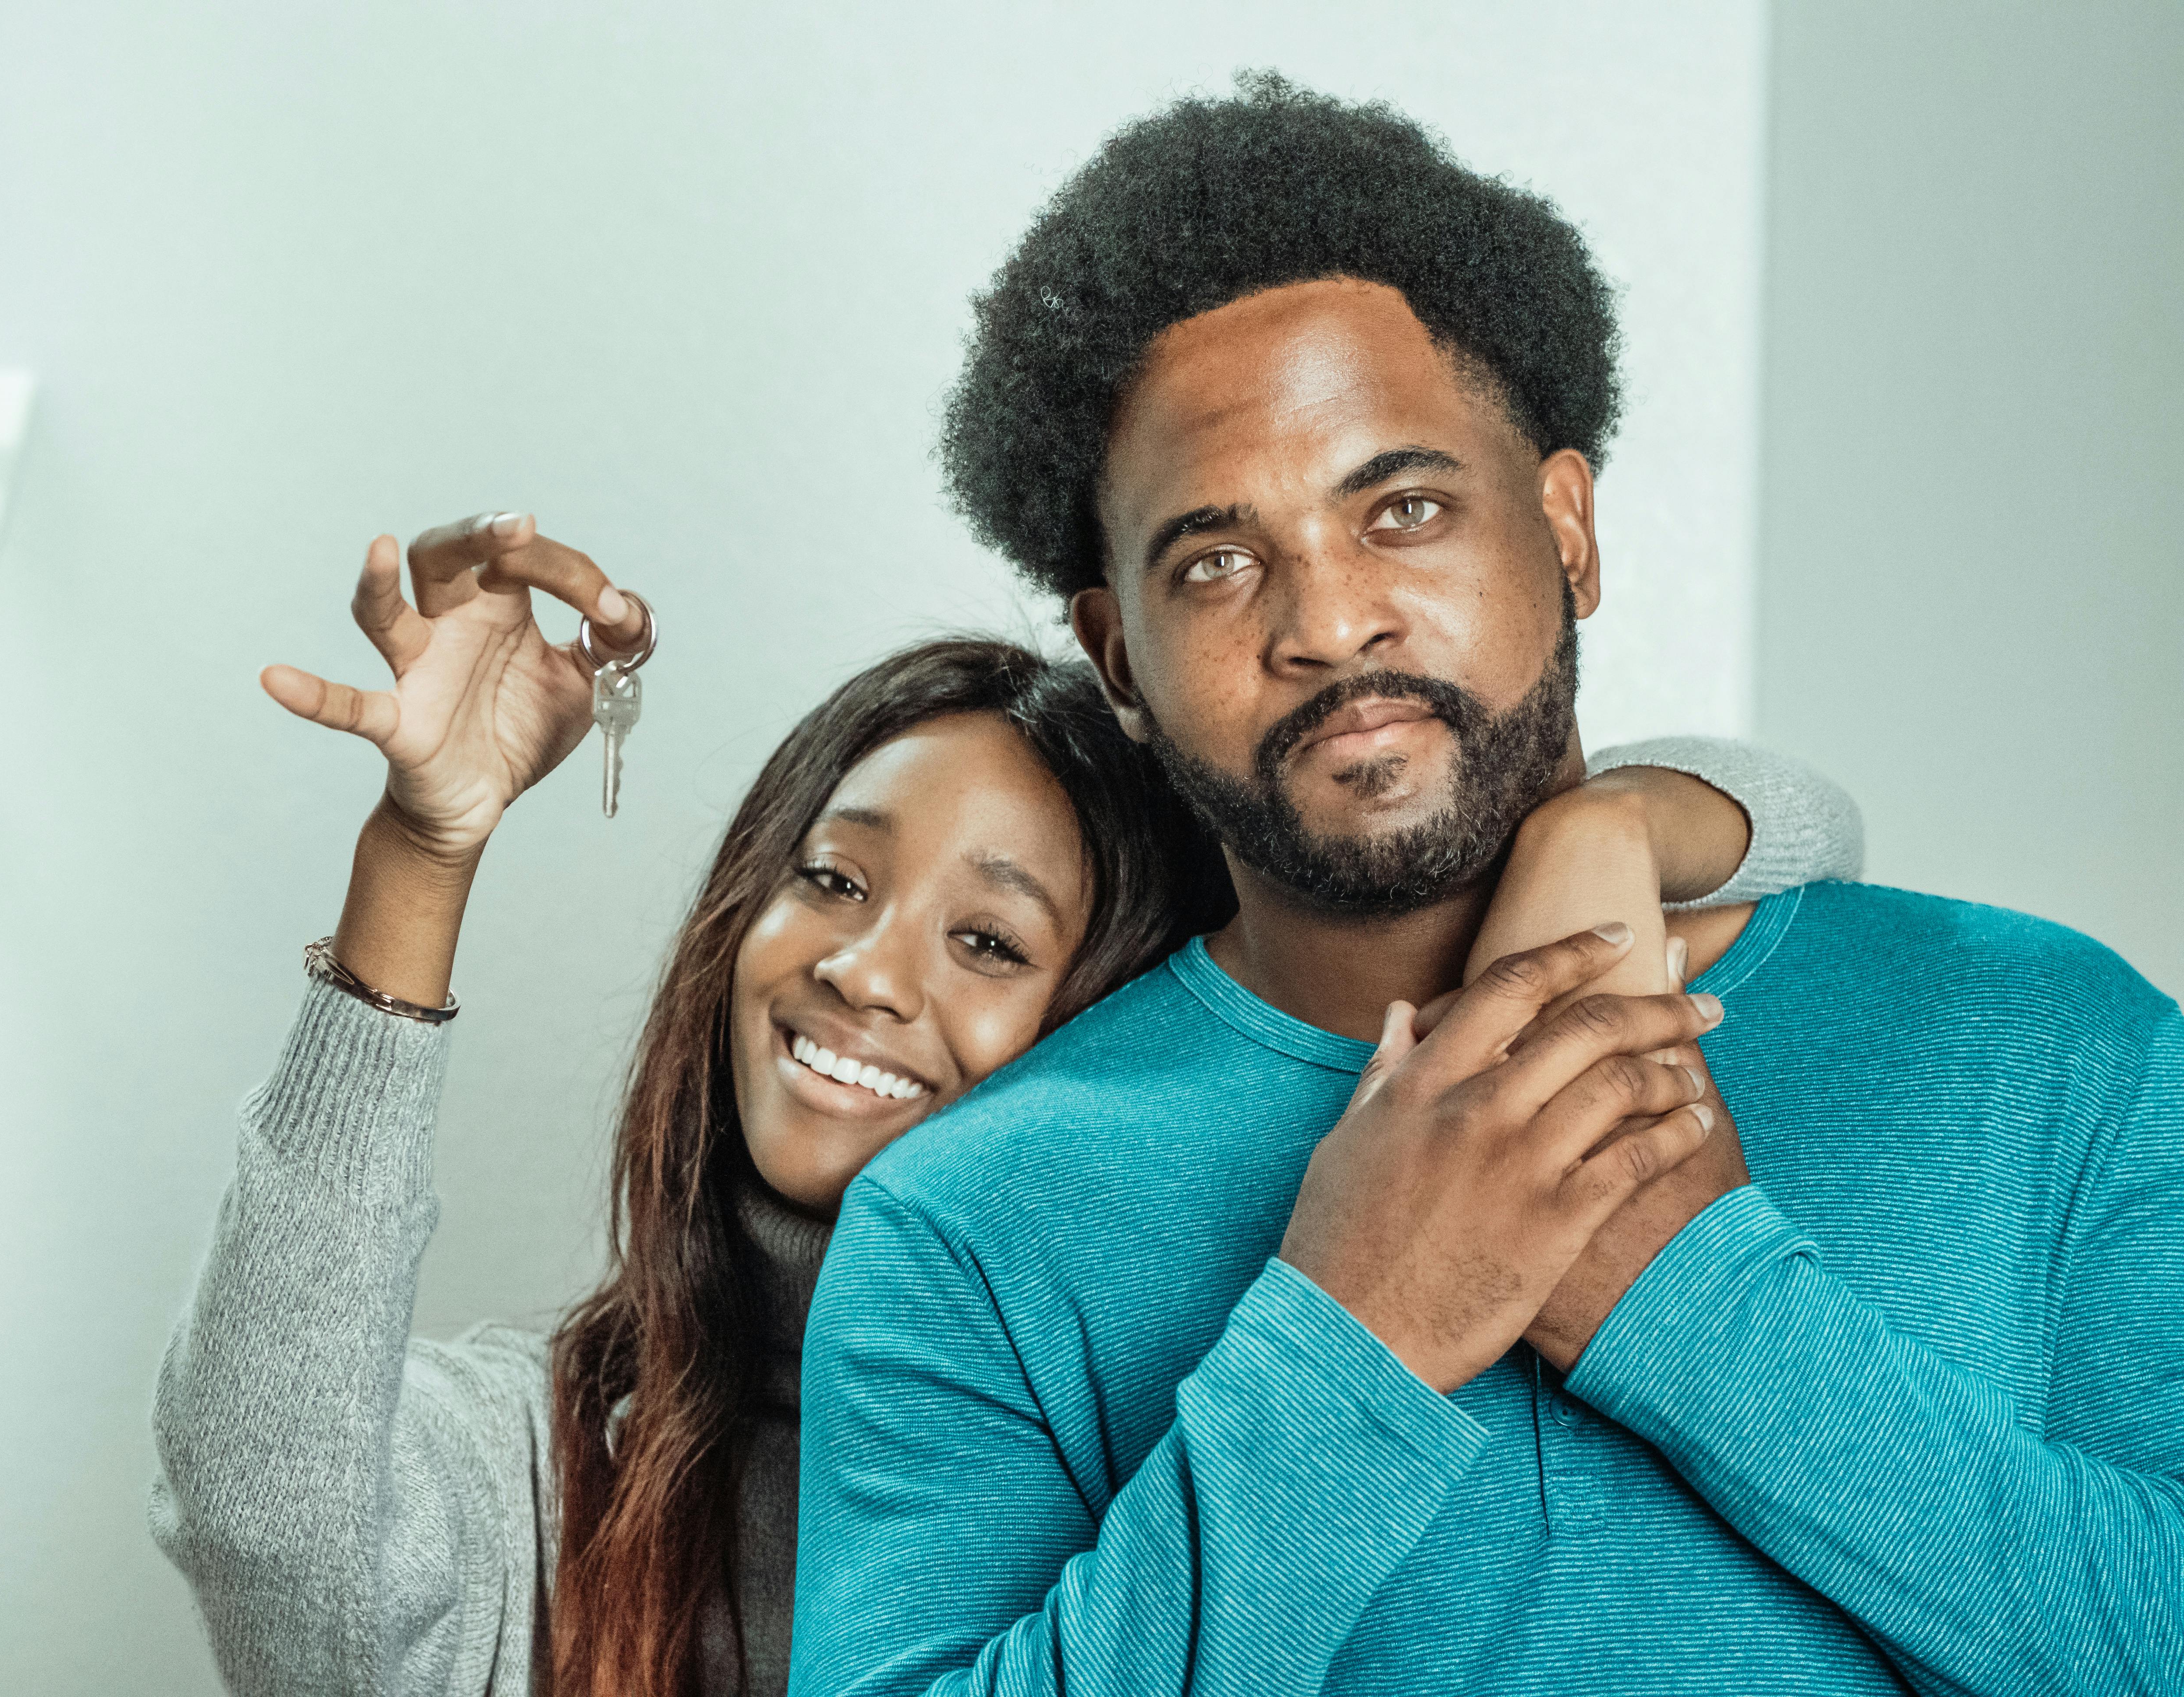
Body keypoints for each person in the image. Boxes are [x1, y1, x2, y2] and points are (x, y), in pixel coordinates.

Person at [792, 76, 2184, 1697]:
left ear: (1567, 528)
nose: (1330, 620)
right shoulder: (974, 1223)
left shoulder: (2052, 1039)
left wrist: (1693, 1307)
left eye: (1404, 509)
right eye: (1218, 561)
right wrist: (1353, 1338)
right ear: (1118, 659)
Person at [148, 508, 1859, 1697]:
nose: (864, 973)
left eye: (988, 936)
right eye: (829, 879)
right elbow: (263, 1509)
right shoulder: (547, 1451)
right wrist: (422, 858)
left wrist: (1592, 834)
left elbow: (1813, 831)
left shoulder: (1188, 1416)